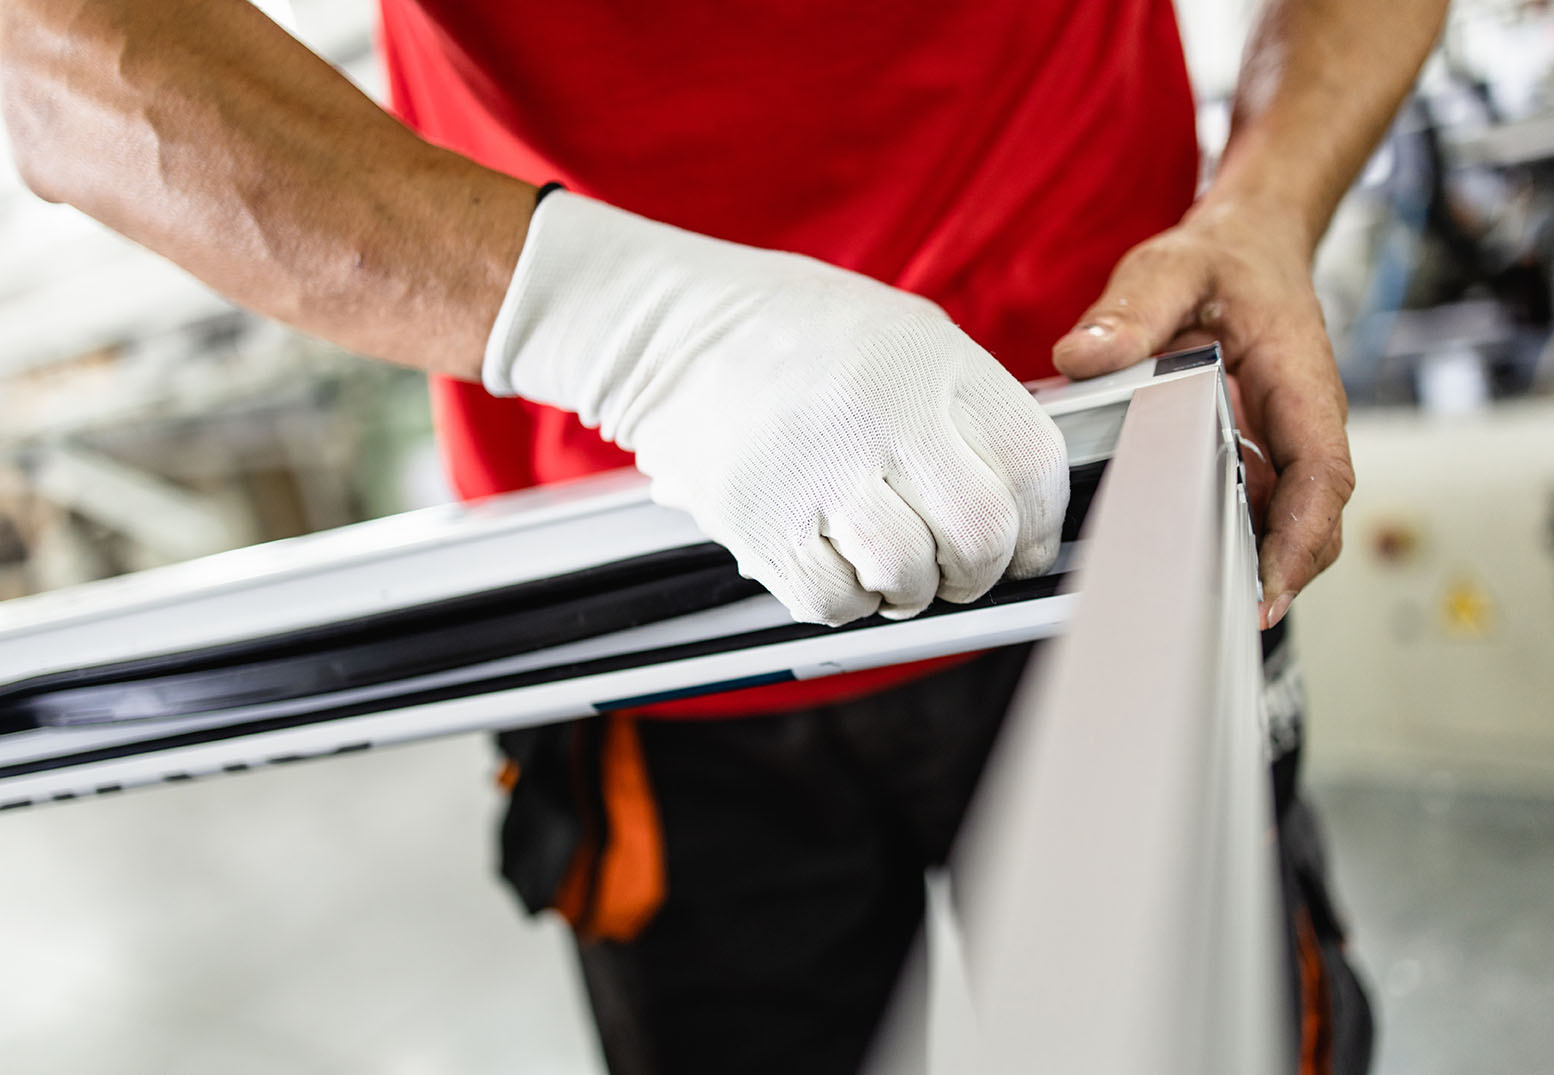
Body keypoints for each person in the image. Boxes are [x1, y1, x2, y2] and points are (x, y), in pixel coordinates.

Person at [0, 1, 1447, 1071]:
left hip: (1100, 492)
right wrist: (636, 333)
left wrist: (1266, 203)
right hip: (646, 595)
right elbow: (61, 48)